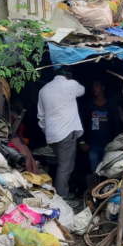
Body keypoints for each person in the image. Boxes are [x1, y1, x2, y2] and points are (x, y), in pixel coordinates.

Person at [38, 68, 85, 199]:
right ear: (69, 75)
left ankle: (59, 192)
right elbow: (82, 91)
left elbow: (41, 117)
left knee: (61, 164)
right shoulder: (70, 84)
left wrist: (46, 131)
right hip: (66, 133)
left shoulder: (44, 90)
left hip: (51, 135)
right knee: (65, 167)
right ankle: (62, 198)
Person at [79, 80, 121, 173]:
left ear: (103, 87)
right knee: (95, 171)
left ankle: (107, 186)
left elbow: (116, 124)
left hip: (108, 145)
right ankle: (97, 187)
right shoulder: (88, 104)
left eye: (97, 86)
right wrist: (82, 141)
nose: (94, 88)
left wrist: (116, 142)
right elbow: (81, 123)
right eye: (93, 86)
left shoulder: (111, 104)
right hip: (92, 145)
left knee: (107, 171)